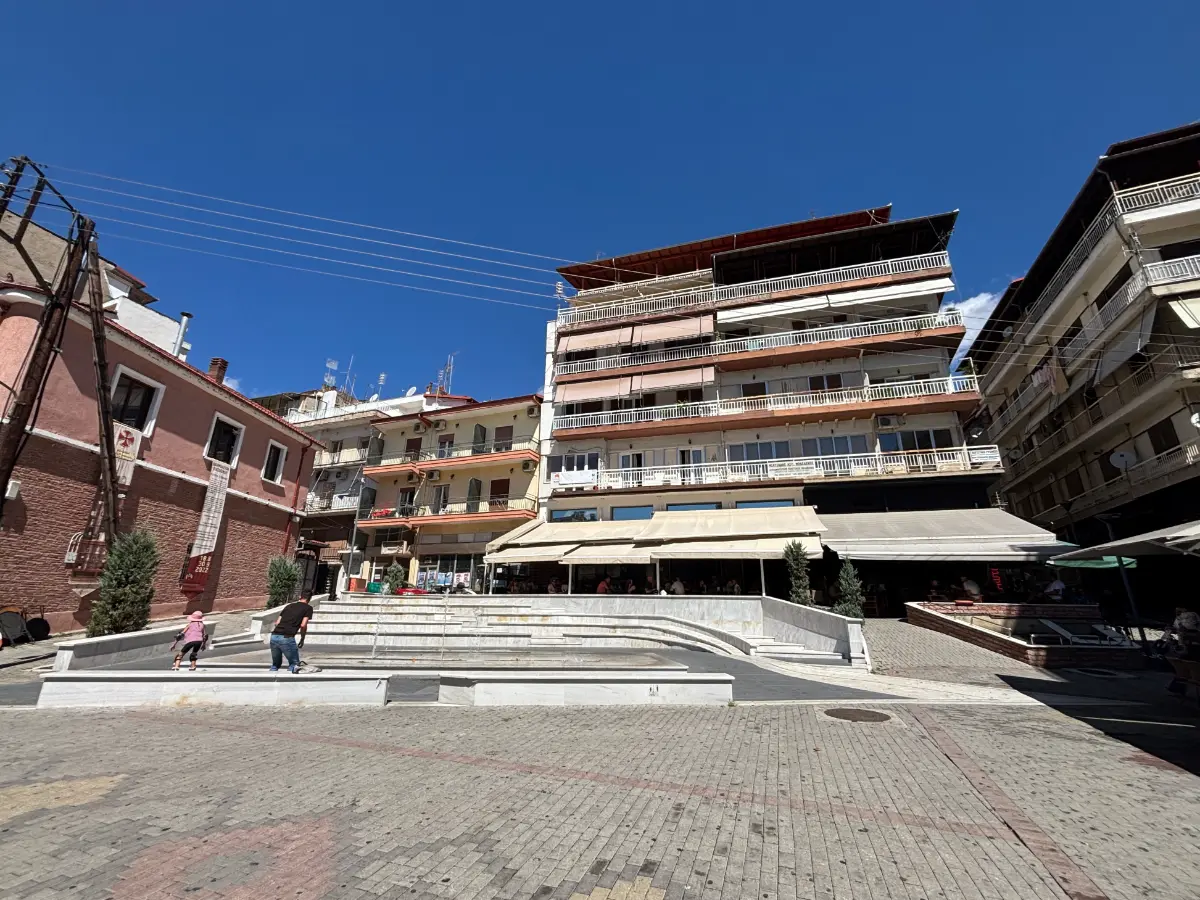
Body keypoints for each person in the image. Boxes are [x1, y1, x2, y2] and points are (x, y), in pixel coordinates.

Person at [270, 595, 314, 674]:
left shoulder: (289, 606)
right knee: (294, 666)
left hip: (274, 636)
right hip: (287, 637)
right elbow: (303, 625)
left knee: (275, 665)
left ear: (300, 596)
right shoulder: (308, 608)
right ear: (310, 598)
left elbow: (277, 623)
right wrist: (302, 638)